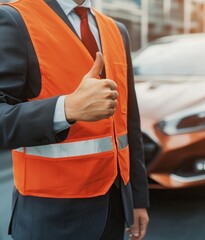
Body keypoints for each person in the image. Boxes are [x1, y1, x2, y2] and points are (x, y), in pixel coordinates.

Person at [0, 0, 149, 239]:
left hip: (115, 209)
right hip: (51, 218)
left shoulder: (116, 30)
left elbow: (129, 123)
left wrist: (138, 199)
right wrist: (65, 109)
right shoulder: (15, 19)